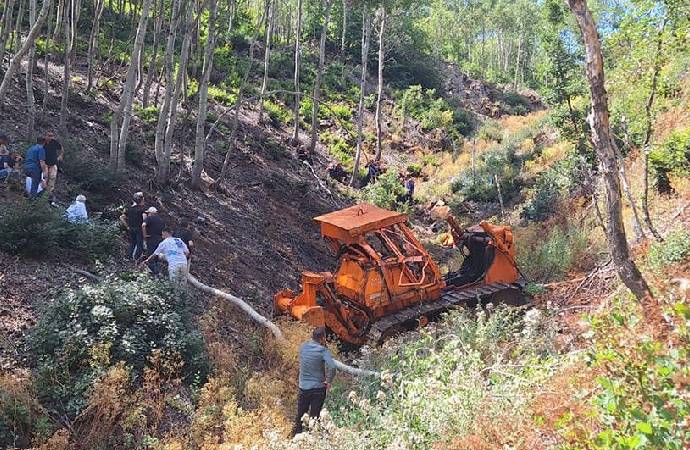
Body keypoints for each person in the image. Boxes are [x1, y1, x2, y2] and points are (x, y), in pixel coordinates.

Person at [291, 326, 337, 436]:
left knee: (300, 415)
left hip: (304, 387)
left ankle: (294, 437)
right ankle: (313, 438)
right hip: (318, 388)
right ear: (322, 338)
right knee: (314, 416)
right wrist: (329, 381)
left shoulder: (303, 347)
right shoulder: (323, 351)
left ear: (312, 336)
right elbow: (332, 367)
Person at [120, 192, 146, 260]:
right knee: (139, 245)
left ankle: (129, 258)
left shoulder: (130, 209)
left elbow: (121, 217)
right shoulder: (142, 209)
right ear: (142, 199)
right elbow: (144, 220)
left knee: (132, 243)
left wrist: (127, 226)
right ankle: (136, 259)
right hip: (139, 229)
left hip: (131, 229)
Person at [142, 206, 165, 274]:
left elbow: (143, 225)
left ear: (151, 213)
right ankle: (158, 272)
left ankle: (153, 272)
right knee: (156, 255)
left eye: (148, 213)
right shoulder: (161, 220)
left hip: (151, 238)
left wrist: (144, 235)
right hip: (159, 239)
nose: (148, 214)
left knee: (150, 255)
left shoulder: (149, 218)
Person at [43, 131, 64, 201]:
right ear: (45, 136)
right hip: (45, 163)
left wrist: (60, 156)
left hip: (53, 164)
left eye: (51, 136)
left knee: (52, 177)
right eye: (49, 135)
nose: (50, 137)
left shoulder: (54, 142)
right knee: (45, 177)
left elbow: (61, 149)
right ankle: (42, 192)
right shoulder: (43, 143)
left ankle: (48, 194)